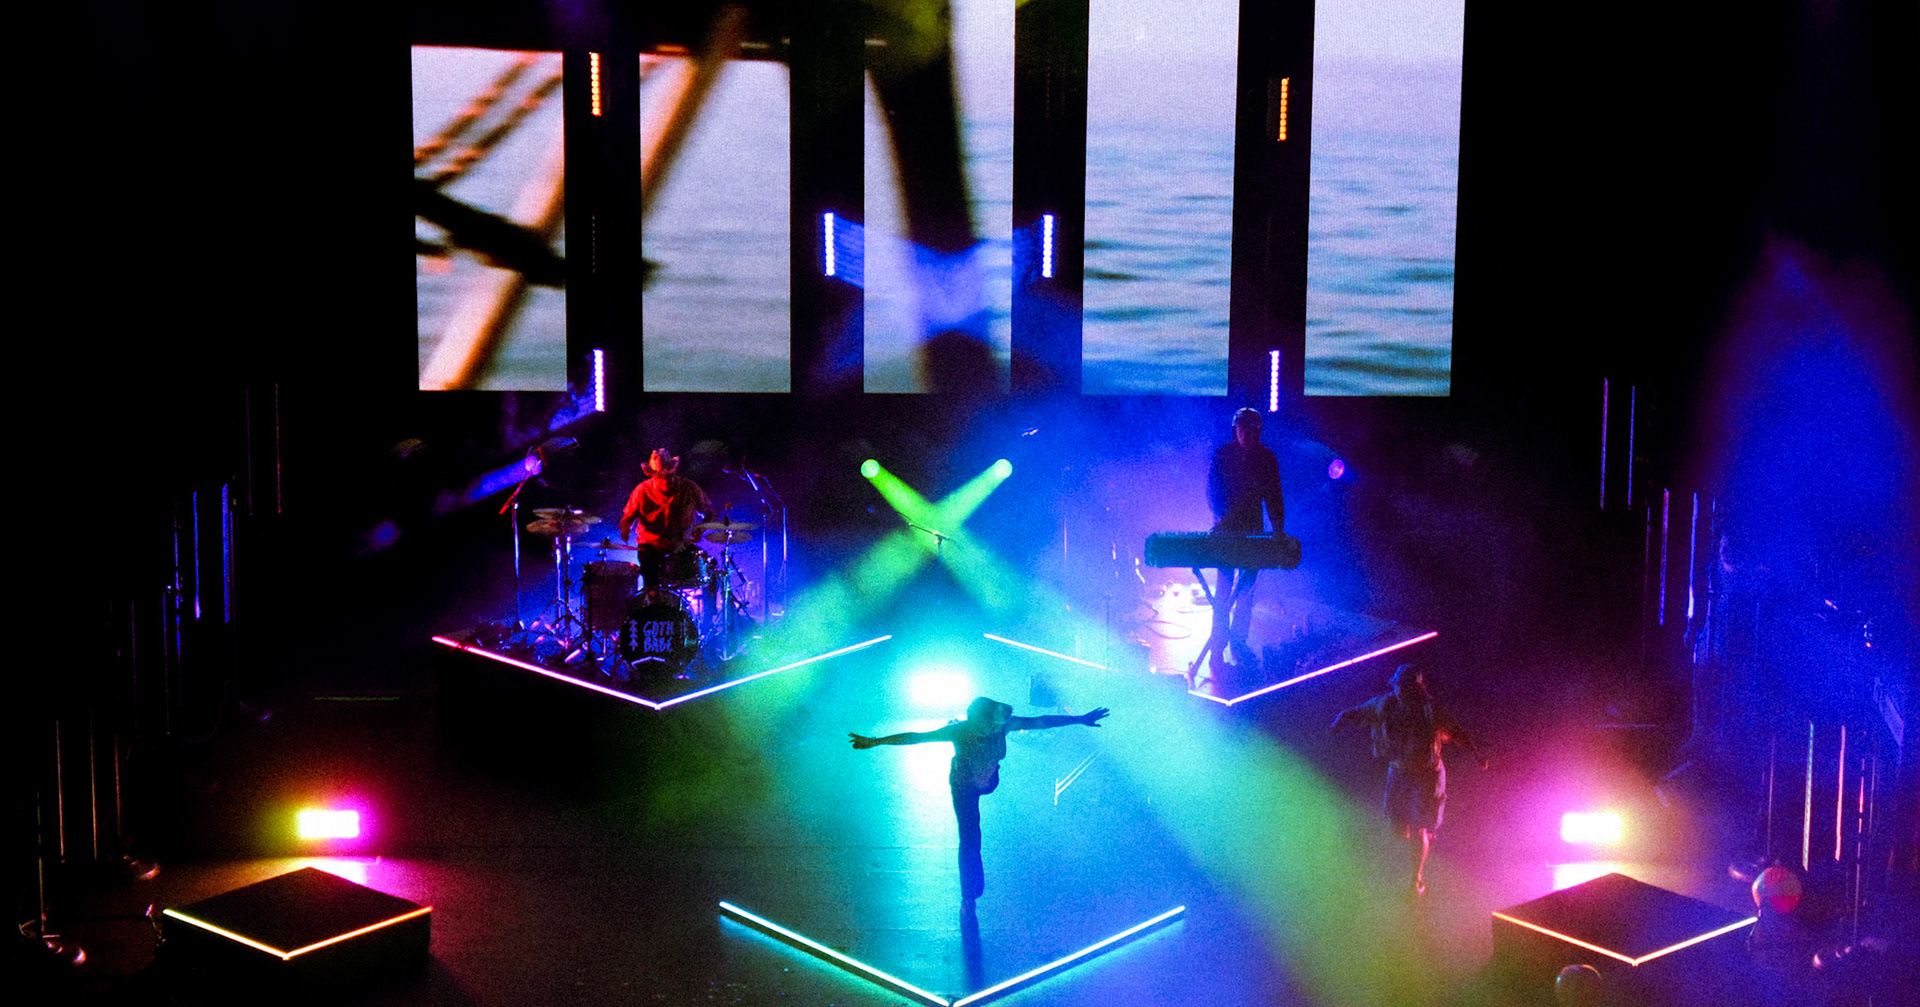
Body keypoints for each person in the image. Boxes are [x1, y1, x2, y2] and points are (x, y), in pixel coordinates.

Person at [850, 697, 1110, 901]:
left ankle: (982, 774)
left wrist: (1079, 719)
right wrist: (876, 741)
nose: (992, 729)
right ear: (975, 721)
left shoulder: (1003, 725)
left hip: (988, 780)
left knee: (978, 802)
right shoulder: (959, 731)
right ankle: (970, 893)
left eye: (994, 726)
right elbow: (918, 738)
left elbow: (1040, 721)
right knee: (970, 836)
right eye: (987, 726)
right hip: (964, 785)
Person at [1331, 663, 1488, 896]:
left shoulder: (1431, 710)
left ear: (1418, 689)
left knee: (1418, 829)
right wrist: (1336, 724)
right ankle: (1421, 833)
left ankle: (1417, 878)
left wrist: (1477, 755)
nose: (1402, 691)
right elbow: (1355, 712)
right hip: (1399, 772)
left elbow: (1457, 733)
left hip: (1427, 775)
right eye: (1399, 686)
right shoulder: (1384, 705)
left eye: (1407, 687)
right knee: (1397, 827)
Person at [1203, 407, 1285, 678]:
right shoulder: (1223, 455)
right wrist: (1220, 517)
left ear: (1258, 431)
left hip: (1252, 531)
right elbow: (1212, 491)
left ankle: (1238, 642)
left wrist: (1278, 530)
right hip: (1226, 530)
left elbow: (1274, 496)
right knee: (1223, 590)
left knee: (1246, 592)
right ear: (1235, 429)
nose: (1247, 435)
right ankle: (1218, 646)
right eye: (1242, 429)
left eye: (1252, 430)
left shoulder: (1266, 458)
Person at [619, 448, 714, 591]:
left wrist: (701, 529)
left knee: (709, 573)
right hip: (651, 547)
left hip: (681, 545)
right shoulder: (642, 490)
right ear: (653, 475)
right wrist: (625, 529)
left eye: (668, 476)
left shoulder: (689, 488)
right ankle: (652, 595)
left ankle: (707, 607)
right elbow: (627, 518)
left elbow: (710, 512)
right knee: (652, 585)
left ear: (674, 471)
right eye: (660, 477)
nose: (665, 481)